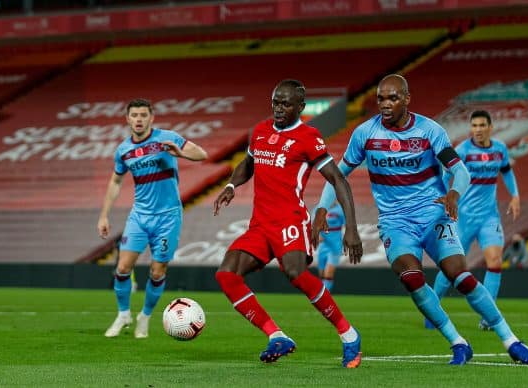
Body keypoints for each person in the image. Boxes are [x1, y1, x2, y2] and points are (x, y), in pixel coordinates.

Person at [313, 74, 528, 365]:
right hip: (395, 222)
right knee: (412, 278)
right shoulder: (365, 134)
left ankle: (511, 341)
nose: (385, 104)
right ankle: (457, 341)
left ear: (407, 99)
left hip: (433, 215)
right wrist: (320, 209)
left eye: (392, 98)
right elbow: (337, 176)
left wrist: (454, 193)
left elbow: (461, 171)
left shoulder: (429, 130)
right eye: (380, 98)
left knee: (461, 275)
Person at [213, 79, 363, 368]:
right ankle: (276, 336)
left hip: (289, 220)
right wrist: (232, 186)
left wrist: (352, 229)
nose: (278, 109)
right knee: (226, 274)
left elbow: (338, 180)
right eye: (275, 102)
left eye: (286, 104)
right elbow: (248, 163)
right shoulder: (260, 130)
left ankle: (348, 334)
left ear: (300, 107)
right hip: (260, 224)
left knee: (294, 272)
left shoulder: (308, 137)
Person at [97, 98, 208, 338]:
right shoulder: (123, 150)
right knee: (123, 267)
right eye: (134, 115)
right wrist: (104, 215)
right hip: (139, 216)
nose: (139, 119)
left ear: (151, 117)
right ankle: (123, 314)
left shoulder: (167, 138)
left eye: (143, 115)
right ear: (127, 119)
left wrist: (181, 154)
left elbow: (202, 154)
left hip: (168, 217)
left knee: (157, 272)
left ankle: (144, 317)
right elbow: (116, 181)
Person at [430, 110, 521, 331]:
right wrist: (444, 194)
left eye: (482, 125)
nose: (478, 129)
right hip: (463, 218)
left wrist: (515, 195)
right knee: (450, 266)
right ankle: (432, 310)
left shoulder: (499, 149)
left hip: (489, 216)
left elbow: (507, 172)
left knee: (495, 261)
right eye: (474, 125)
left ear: (491, 127)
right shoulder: (463, 151)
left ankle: (488, 318)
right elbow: (445, 174)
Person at [313, 202, 345, 291]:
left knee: (329, 273)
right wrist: (317, 234)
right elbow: (313, 224)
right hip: (323, 246)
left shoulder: (340, 209)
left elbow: (347, 225)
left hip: (335, 246)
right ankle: (322, 295)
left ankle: (325, 296)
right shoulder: (318, 208)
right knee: (322, 274)